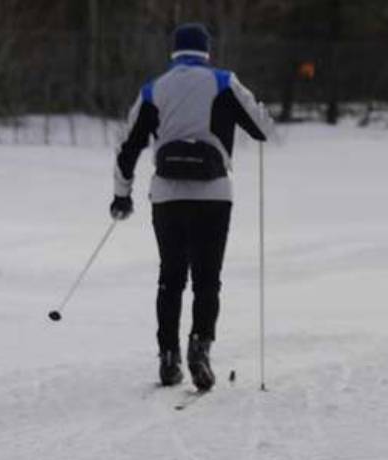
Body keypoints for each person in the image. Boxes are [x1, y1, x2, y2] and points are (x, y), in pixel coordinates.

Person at [110, 23, 274, 391]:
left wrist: (122, 194)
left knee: (170, 279)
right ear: (207, 52)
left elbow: (128, 145)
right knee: (207, 279)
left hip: (167, 197)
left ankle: (168, 357)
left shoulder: (154, 89)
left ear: (174, 53)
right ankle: (200, 348)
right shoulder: (223, 81)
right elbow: (263, 128)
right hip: (214, 196)